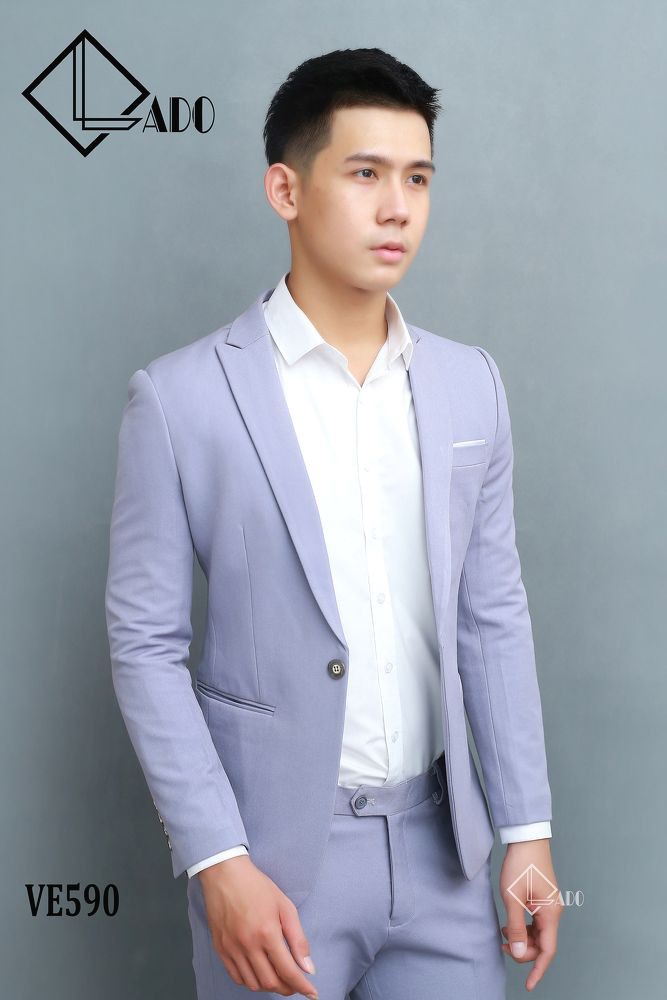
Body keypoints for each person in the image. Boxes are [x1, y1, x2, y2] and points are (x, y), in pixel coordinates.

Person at [105, 46, 562, 1000]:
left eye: (417, 178)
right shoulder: (181, 398)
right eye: (364, 174)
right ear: (285, 189)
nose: (397, 208)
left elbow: (491, 616)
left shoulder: (469, 384)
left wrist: (526, 831)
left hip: (444, 858)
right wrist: (217, 858)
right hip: (270, 868)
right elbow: (145, 644)